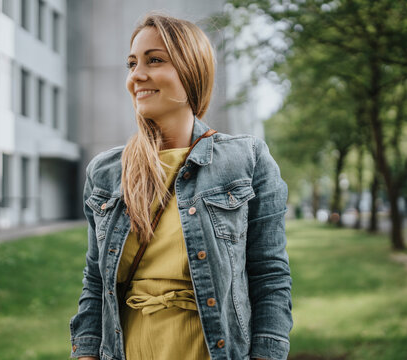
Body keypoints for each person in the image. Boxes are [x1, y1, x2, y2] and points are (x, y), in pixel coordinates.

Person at [69, 13, 292, 360]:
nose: (136, 76)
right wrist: (84, 354)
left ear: (191, 70)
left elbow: (270, 276)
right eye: (132, 63)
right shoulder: (107, 171)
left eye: (154, 60)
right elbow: (95, 283)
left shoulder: (247, 159)